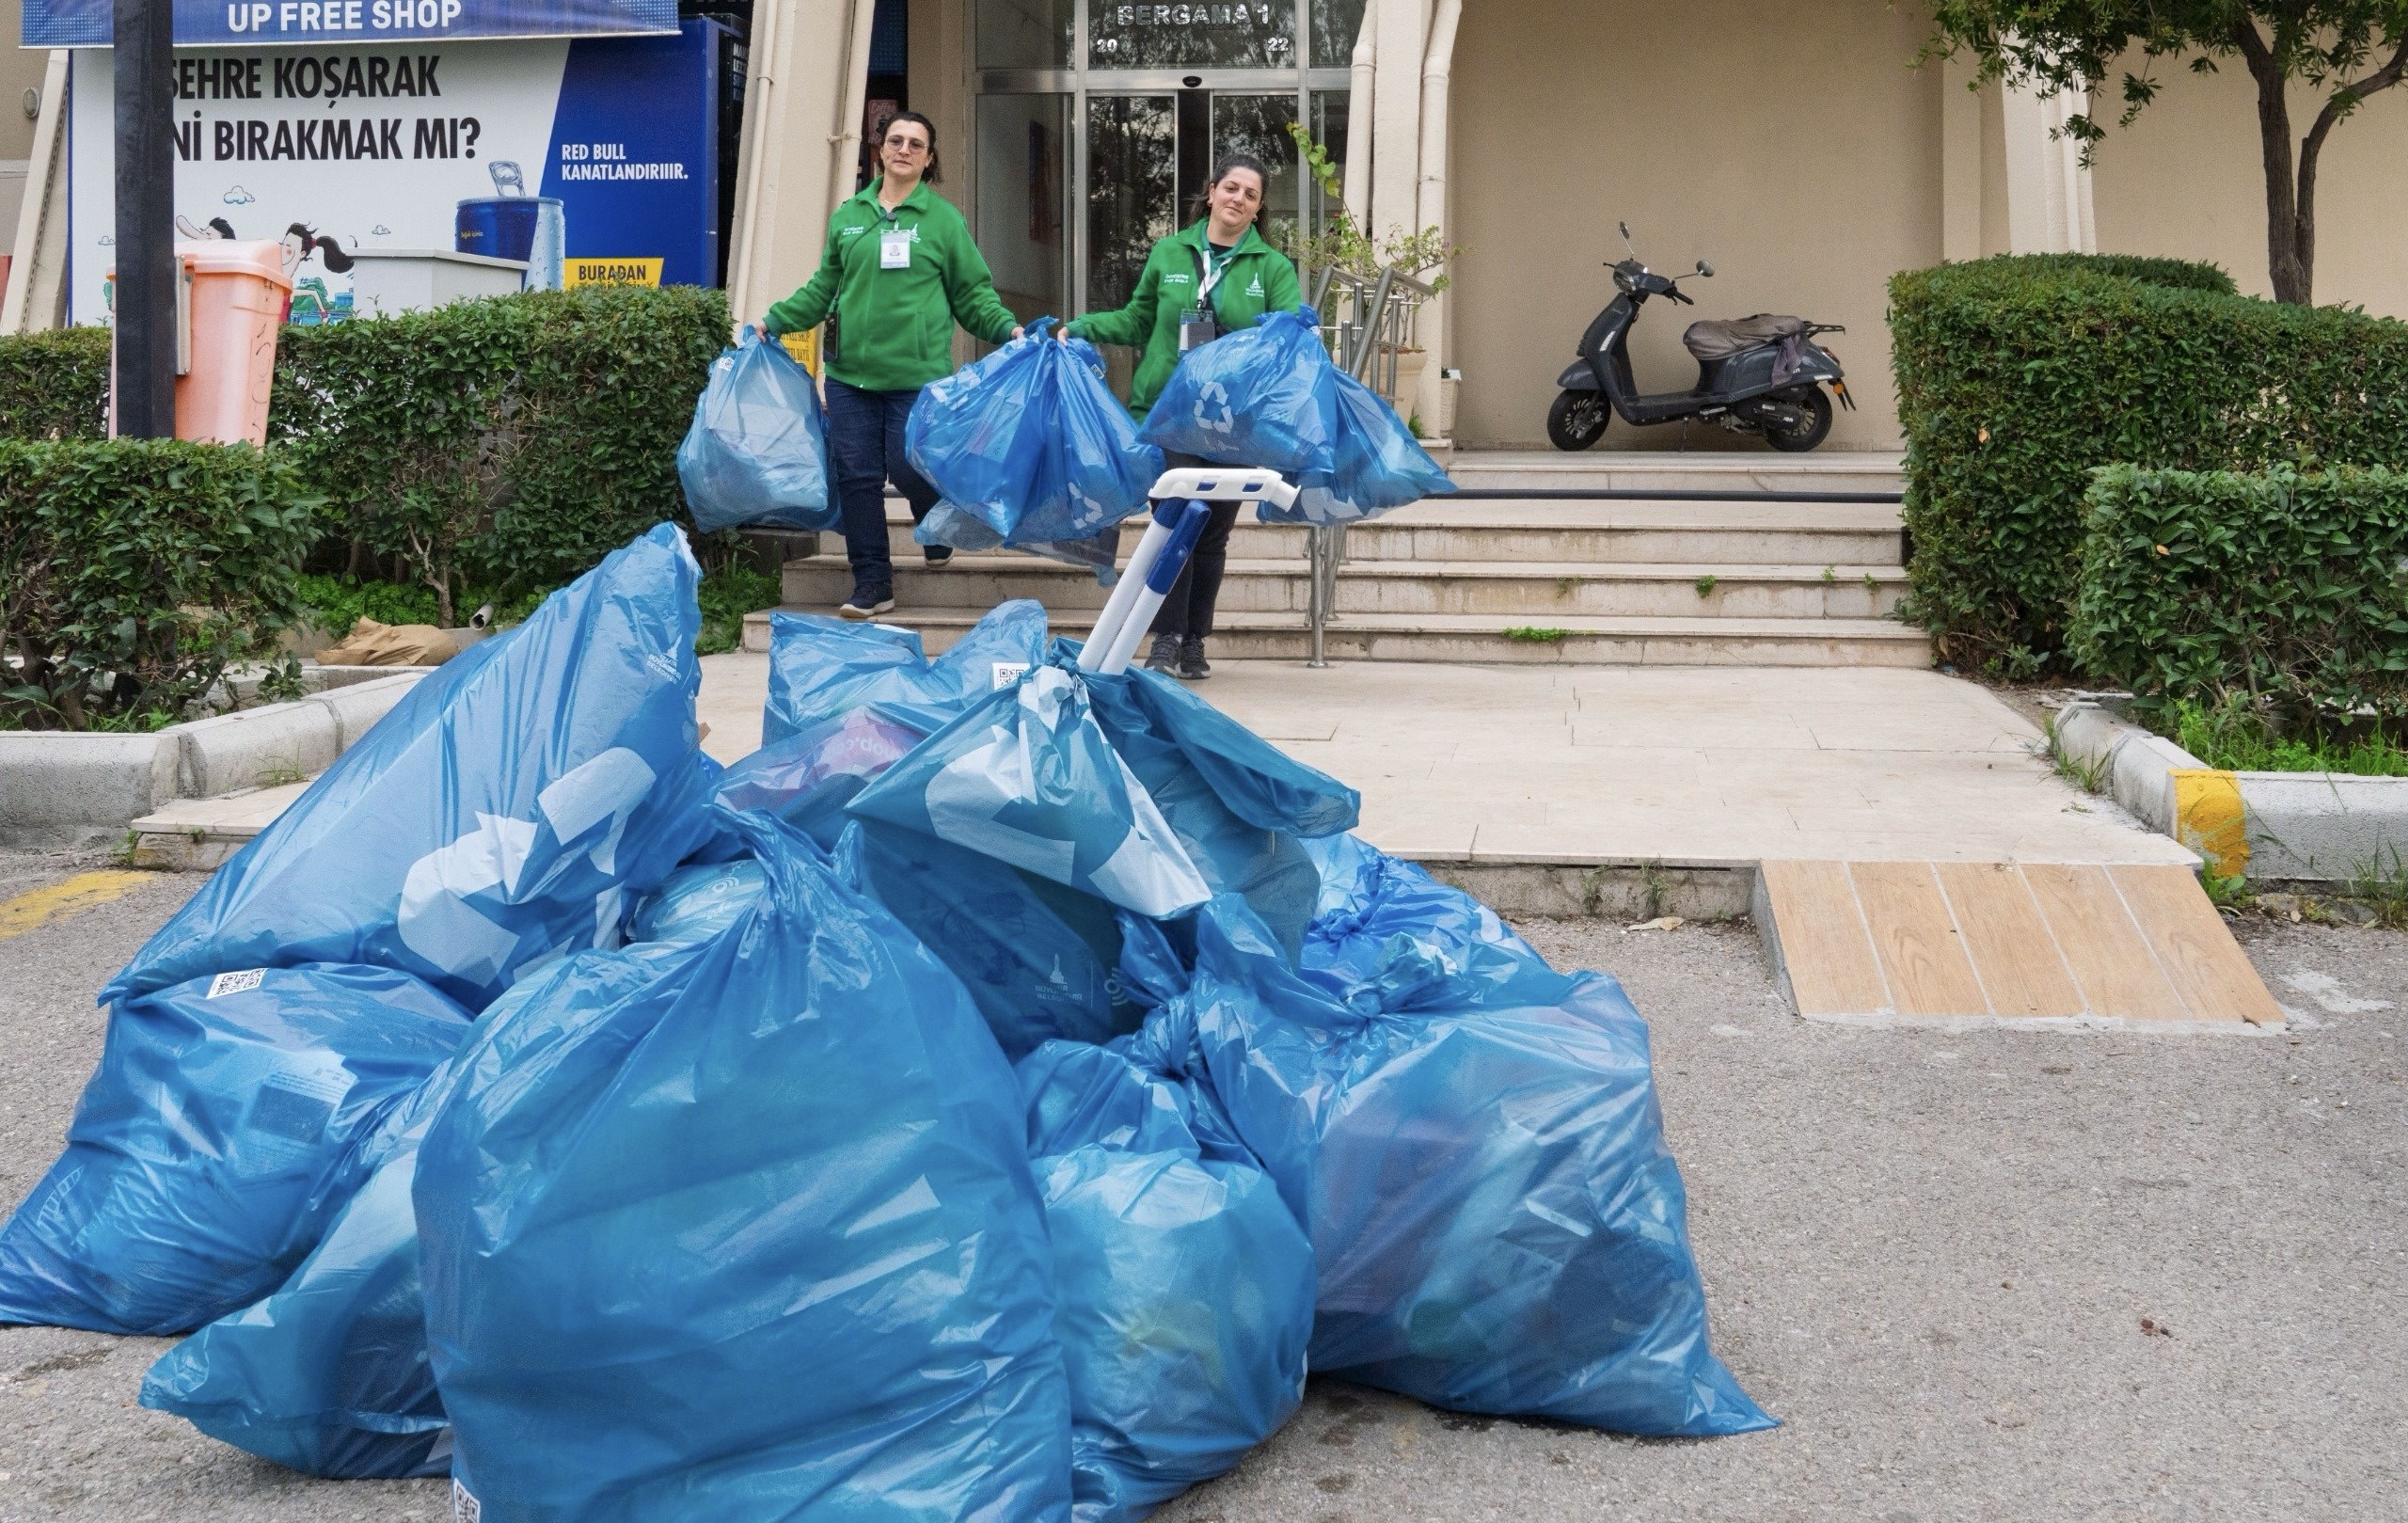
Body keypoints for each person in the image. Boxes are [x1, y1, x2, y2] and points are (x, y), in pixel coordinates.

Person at [758, 112, 1023, 620]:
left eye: (916, 143)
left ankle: (934, 524)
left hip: (915, 377)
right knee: (856, 476)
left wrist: (1008, 328)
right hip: (848, 378)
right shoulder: (849, 215)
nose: (903, 148)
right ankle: (873, 582)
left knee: (908, 466)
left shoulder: (944, 222)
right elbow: (822, 288)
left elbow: (972, 295)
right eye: (895, 140)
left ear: (928, 158)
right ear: (881, 151)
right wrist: (776, 319)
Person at [1064, 153, 1302, 679]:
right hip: (1167, 413)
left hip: (1230, 422)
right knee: (1176, 522)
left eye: (1251, 195)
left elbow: (1283, 339)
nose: (1238, 199)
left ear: (1258, 210)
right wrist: (1081, 328)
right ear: (1211, 190)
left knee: (1212, 534)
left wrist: (1292, 329)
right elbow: (1138, 320)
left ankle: (1195, 640)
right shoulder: (1170, 251)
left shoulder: (1272, 268)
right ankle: (1166, 637)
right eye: (1231, 188)